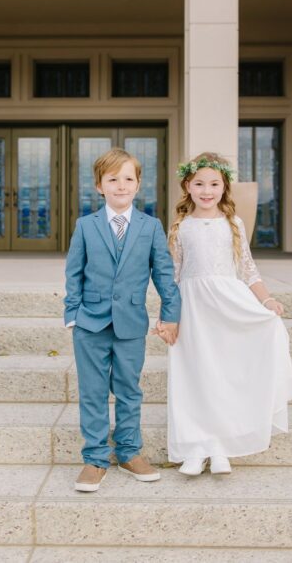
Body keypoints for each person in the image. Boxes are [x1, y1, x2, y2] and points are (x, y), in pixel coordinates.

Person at [161, 152, 292, 475]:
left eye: (214, 184)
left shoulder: (233, 224)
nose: (207, 191)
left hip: (227, 306)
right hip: (193, 308)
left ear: (224, 187)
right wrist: (169, 315)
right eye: (199, 184)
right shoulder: (181, 226)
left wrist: (266, 301)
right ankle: (195, 447)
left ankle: (221, 445)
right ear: (187, 186)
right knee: (194, 375)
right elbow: (174, 275)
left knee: (222, 375)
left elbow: (248, 270)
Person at [63, 148, 181, 493]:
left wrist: (170, 315)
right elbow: (74, 273)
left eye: (128, 179)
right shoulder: (85, 226)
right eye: (112, 179)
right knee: (93, 391)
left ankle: (130, 452)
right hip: (90, 323)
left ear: (138, 184)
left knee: (130, 389)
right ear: (99, 186)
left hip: (130, 322)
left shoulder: (150, 226)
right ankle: (96, 458)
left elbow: (164, 274)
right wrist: (72, 315)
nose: (121, 185)